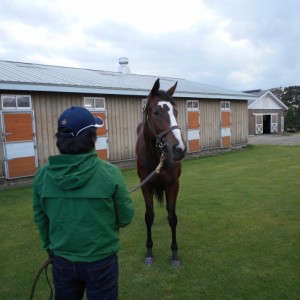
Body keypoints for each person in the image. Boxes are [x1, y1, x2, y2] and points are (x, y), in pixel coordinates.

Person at [32, 106, 134, 300]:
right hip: (101, 262)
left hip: (61, 261)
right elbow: (126, 217)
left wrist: (51, 249)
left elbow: (41, 219)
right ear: (91, 137)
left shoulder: (41, 176)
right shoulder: (110, 173)